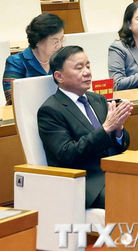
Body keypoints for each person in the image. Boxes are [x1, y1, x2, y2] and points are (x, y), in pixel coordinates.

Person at [38, 45, 132, 208]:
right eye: (79, 68)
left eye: (88, 66)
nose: (87, 72)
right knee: (133, 197)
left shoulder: (98, 100)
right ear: (59, 76)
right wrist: (105, 129)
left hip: (116, 171)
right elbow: (67, 154)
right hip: (88, 183)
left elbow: (120, 147)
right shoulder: (51, 110)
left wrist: (118, 129)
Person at [2, 13, 64, 104]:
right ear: (38, 40)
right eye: (54, 41)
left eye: (61, 40)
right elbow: (12, 98)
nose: (59, 46)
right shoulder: (16, 62)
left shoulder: (60, 60)